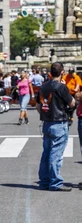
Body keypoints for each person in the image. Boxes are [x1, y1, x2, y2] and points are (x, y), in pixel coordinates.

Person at [36, 62, 76, 191]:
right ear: (62, 72)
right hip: (59, 122)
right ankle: (55, 183)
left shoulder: (43, 87)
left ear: (50, 73)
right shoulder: (61, 87)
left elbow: (38, 106)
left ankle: (44, 181)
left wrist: (45, 113)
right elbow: (72, 104)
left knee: (46, 153)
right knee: (56, 154)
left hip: (47, 122)